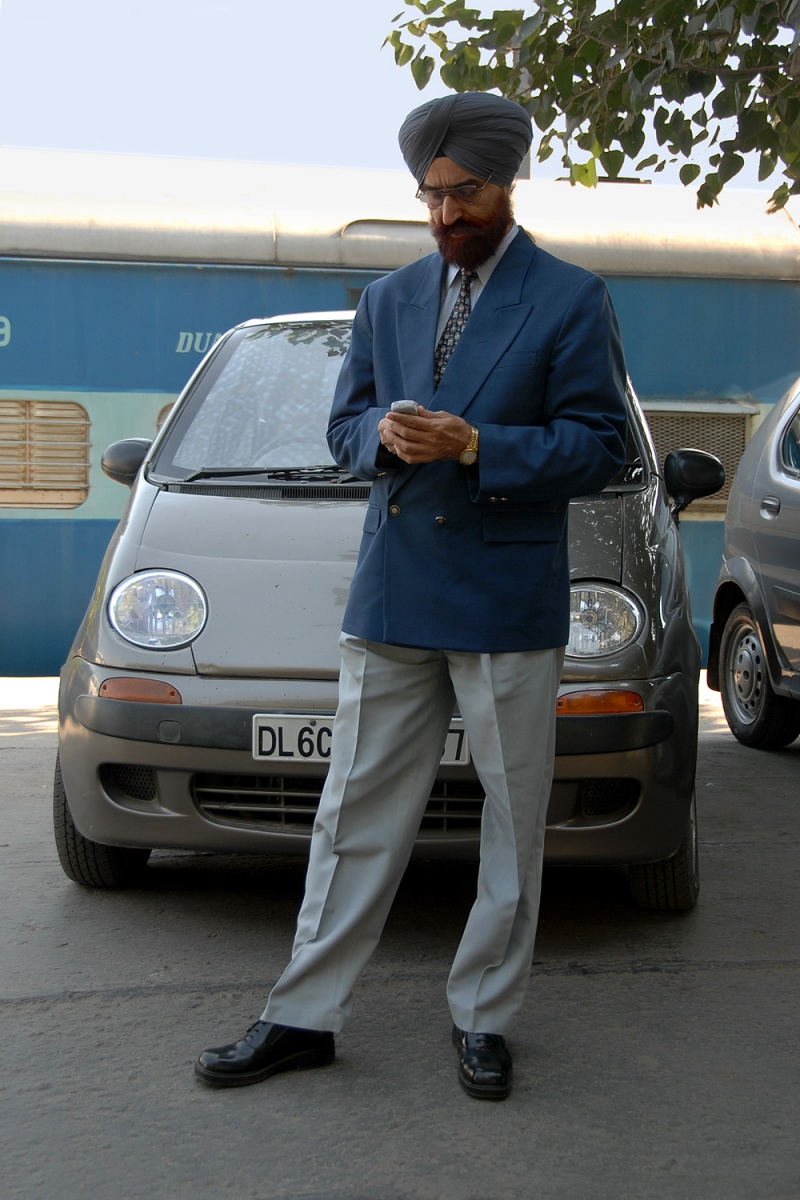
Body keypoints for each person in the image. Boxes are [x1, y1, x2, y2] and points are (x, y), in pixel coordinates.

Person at [195, 91, 628, 1100]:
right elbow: (342, 423)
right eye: (427, 195)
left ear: (505, 185)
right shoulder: (387, 300)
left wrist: (477, 445)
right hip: (394, 592)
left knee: (512, 820)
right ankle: (301, 1014)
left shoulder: (569, 298)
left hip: (502, 596)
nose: (441, 216)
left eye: (461, 193)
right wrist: (377, 441)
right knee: (351, 811)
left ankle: (482, 1018)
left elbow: (598, 447)